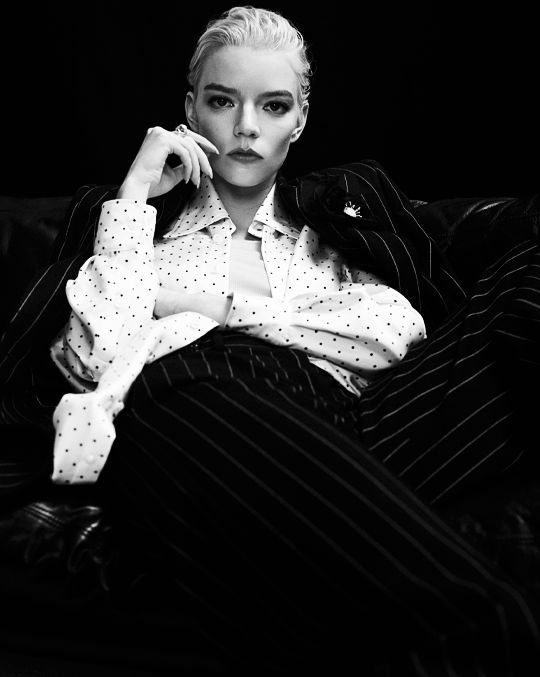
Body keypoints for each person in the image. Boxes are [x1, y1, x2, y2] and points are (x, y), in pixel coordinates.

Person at [1, 5, 540, 676]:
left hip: (367, 425)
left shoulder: (338, 218)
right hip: (211, 409)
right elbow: (99, 361)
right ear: (190, 111)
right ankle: (483, 631)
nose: (247, 128)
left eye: (274, 105)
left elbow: (397, 333)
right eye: (222, 101)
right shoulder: (137, 234)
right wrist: (134, 196)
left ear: (301, 118)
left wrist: (210, 308)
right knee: (163, 385)